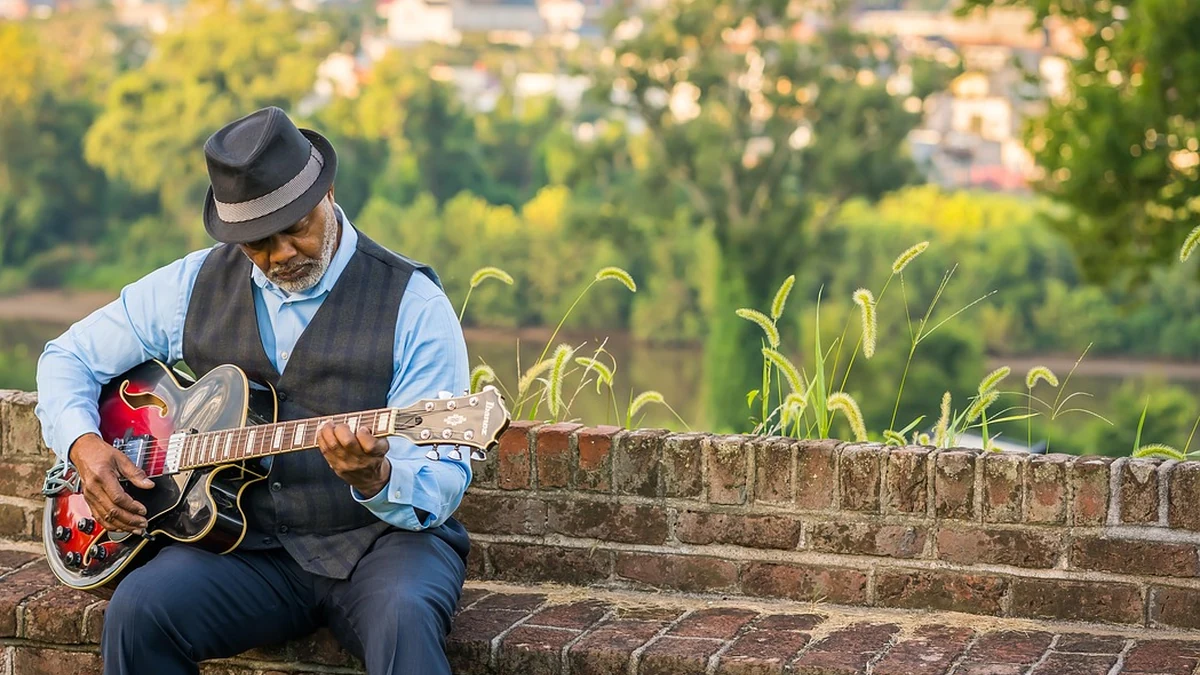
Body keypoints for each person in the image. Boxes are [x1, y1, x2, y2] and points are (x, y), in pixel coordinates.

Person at [34, 106, 472, 675]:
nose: (282, 255)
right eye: (258, 243)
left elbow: (441, 475)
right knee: (139, 611)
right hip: (248, 551)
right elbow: (66, 356)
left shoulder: (414, 305)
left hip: (385, 545)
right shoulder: (193, 283)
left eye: (296, 228)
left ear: (329, 192)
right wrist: (83, 446)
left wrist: (377, 477)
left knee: (405, 620)